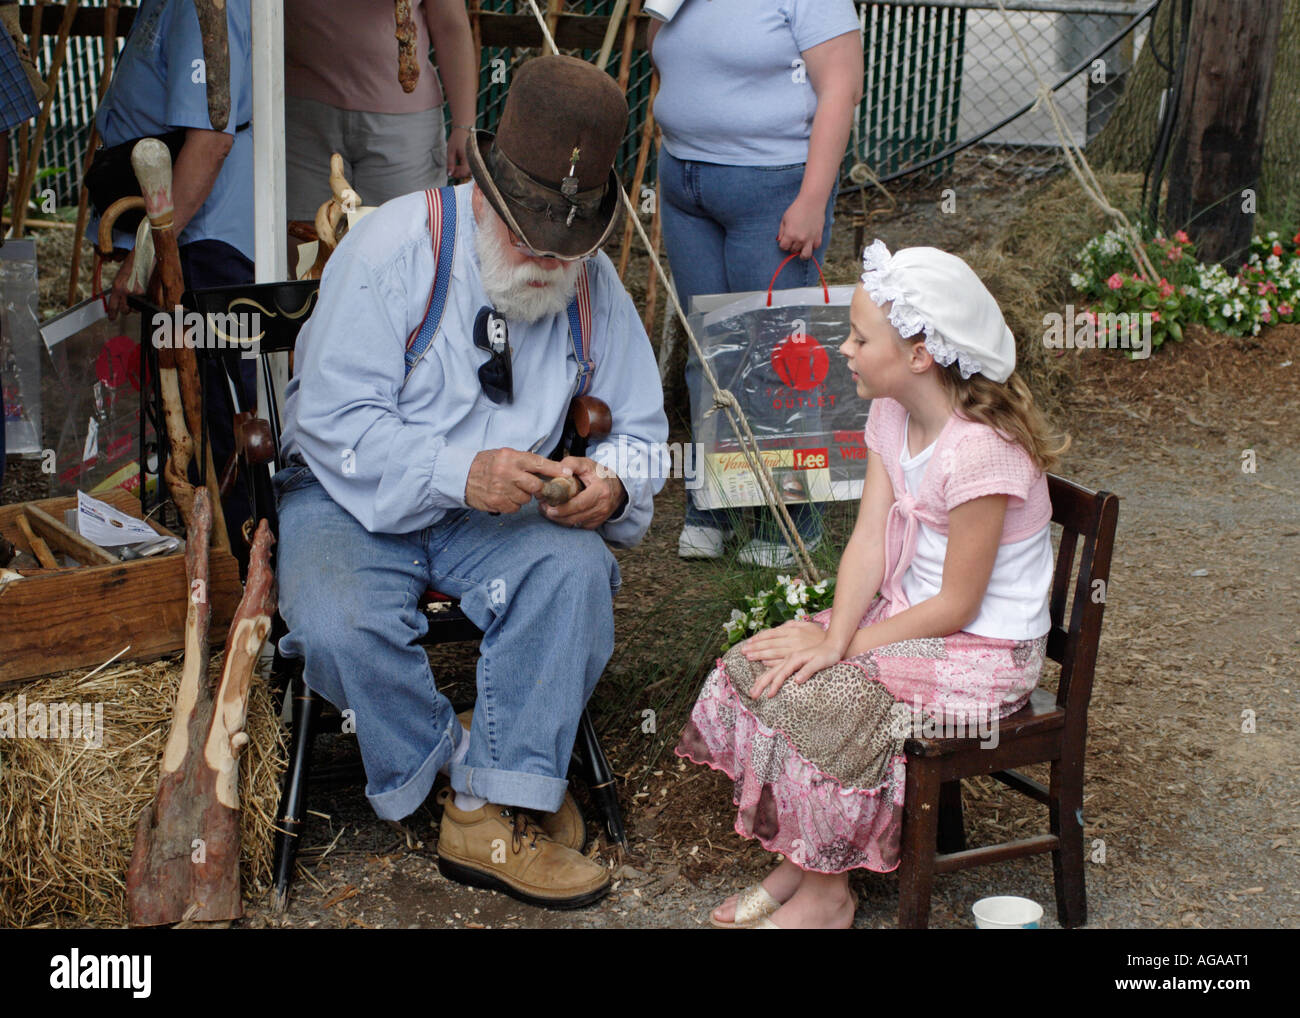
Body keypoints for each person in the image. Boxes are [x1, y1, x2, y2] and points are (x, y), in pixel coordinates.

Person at [274, 56, 669, 910]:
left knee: (575, 573)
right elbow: (334, 423)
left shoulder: (591, 285)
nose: (543, 259)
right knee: (338, 625)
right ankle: (484, 774)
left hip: (493, 515)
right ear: (482, 188)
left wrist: (615, 485)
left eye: (565, 243)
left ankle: (482, 814)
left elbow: (642, 433)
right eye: (527, 231)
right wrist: (460, 469)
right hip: (348, 494)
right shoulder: (392, 251)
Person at [676, 240, 1068, 928]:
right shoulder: (892, 414)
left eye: (860, 337)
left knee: (830, 699)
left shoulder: (979, 453)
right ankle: (804, 864)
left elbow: (959, 604)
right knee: (759, 663)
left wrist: (848, 646)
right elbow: (866, 541)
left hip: (982, 652)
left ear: (919, 354)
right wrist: (835, 633)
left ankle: (828, 895)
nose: (846, 349)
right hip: (911, 622)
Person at [648, 0, 862, 567]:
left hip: (773, 187)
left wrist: (814, 198)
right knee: (708, 353)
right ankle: (712, 503)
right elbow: (665, 54)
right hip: (685, 181)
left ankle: (790, 515)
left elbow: (841, 85)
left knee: (778, 356)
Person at [94, 0, 254, 551]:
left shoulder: (202, 7)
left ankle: (235, 562)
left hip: (205, 239)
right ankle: (203, 551)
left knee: (212, 415)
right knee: (185, 413)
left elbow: (210, 141)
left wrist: (148, 255)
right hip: (181, 232)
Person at [284, 0, 478, 221]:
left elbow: (449, 24)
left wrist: (464, 125)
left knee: (401, 236)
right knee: (309, 241)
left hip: (403, 128)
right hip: (305, 118)